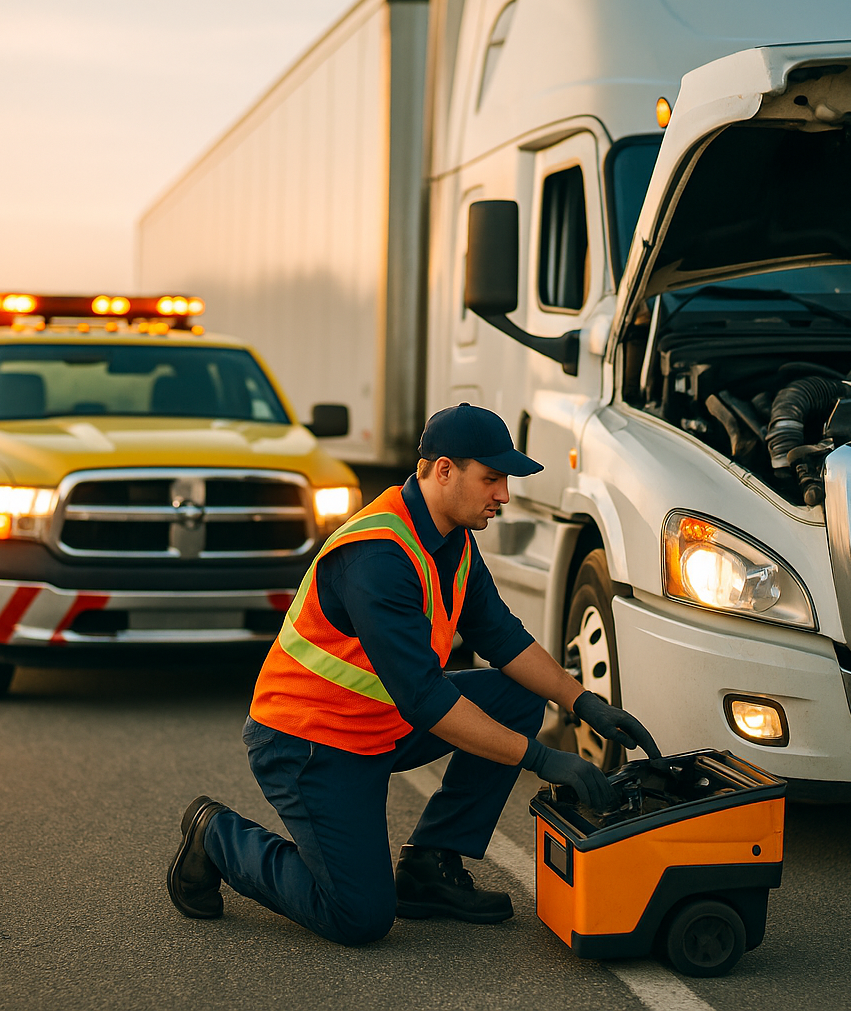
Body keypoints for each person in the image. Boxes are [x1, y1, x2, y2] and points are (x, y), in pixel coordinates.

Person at [166, 402, 661, 945]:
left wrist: (583, 703)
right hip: (311, 743)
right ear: (444, 470)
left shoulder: (453, 540)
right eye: (491, 479)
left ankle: (429, 868)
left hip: (379, 725)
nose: (504, 495)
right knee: (360, 917)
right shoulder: (378, 557)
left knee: (516, 697)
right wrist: (543, 759)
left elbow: (502, 637)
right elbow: (426, 697)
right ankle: (215, 836)